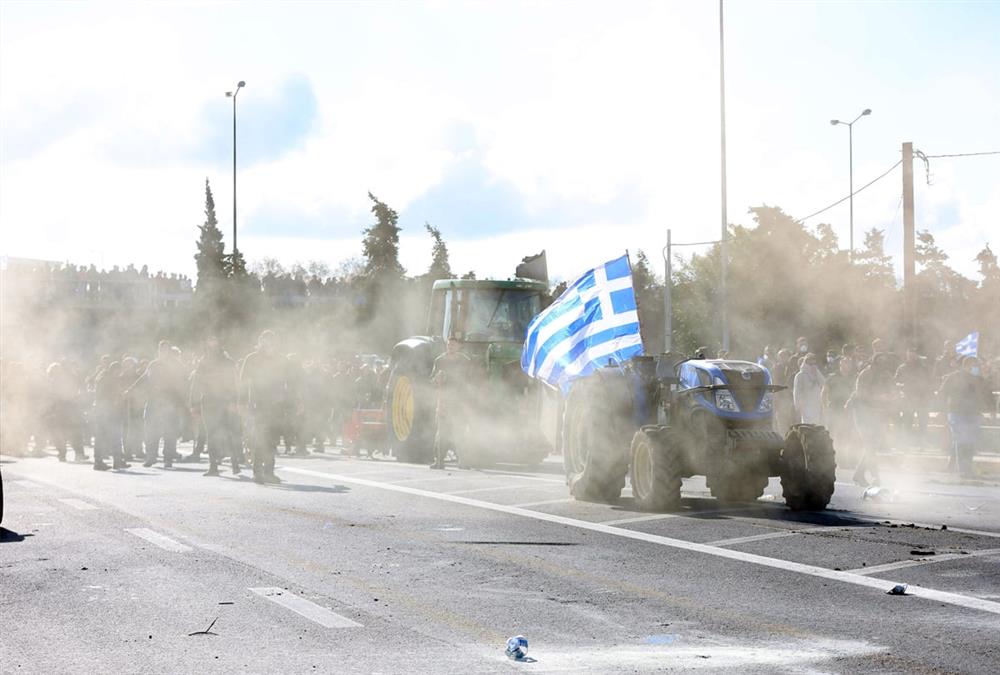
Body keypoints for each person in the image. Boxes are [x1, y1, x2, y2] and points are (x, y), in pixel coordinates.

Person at [127, 340, 186, 469]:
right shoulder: (154, 364)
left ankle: (168, 458)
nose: (164, 352)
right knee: (150, 430)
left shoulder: (176, 365)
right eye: (162, 349)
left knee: (169, 432)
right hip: (153, 401)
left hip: (170, 402)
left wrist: (181, 402)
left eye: (166, 349)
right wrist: (130, 389)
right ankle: (151, 457)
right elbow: (143, 378)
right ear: (159, 351)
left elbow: (183, 383)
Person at [240, 330, 287, 484]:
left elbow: (286, 382)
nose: (268, 343)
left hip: (276, 405)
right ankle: (257, 472)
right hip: (257, 403)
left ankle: (269, 472)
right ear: (260, 342)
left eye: (271, 340)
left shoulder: (280, 359)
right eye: (265, 340)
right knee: (259, 439)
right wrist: (241, 402)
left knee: (272, 439)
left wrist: (290, 401)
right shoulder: (252, 359)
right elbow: (243, 382)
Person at [190, 337, 240, 477]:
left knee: (228, 433)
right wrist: (194, 404)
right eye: (210, 347)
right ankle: (213, 466)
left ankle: (234, 463)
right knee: (212, 434)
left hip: (225, 402)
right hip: (209, 402)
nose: (212, 349)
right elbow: (196, 384)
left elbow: (235, 384)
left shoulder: (228, 363)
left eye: (214, 346)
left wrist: (236, 401)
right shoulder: (203, 363)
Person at [848, 352, 896, 486]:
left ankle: (859, 474)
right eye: (879, 361)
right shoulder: (865, 374)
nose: (882, 364)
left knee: (873, 446)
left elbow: (893, 391)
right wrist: (879, 397)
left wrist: (892, 397)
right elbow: (861, 394)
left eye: (884, 361)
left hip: (878, 414)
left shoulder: (886, 375)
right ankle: (876, 477)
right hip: (862, 413)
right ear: (874, 362)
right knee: (870, 444)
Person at [939, 356, 991, 479]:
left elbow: (986, 394)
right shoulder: (953, 377)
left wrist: (990, 410)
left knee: (970, 441)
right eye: (975, 366)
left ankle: (961, 466)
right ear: (967, 365)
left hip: (973, 413)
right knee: (961, 439)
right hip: (957, 413)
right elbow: (943, 393)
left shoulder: (978, 379)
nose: (977, 368)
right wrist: (942, 410)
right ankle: (963, 469)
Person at [430, 337, 472, 470]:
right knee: (442, 432)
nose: (450, 347)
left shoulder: (465, 361)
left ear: (459, 346)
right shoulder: (439, 360)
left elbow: (471, 381)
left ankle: (463, 461)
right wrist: (437, 379)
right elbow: (432, 379)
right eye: (449, 345)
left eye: (453, 345)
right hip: (444, 400)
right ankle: (439, 461)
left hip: (459, 400)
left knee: (460, 432)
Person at [92, 360, 127, 470]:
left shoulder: (102, 376)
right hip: (110, 412)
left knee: (100, 437)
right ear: (115, 370)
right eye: (119, 371)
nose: (120, 374)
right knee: (115, 436)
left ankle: (98, 462)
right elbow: (111, 396)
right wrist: (120, 396)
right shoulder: (111, 380)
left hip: (100, 411)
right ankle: (117, 461)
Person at [894, 347, 931, 448]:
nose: (911, 356)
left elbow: (929, 382)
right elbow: (896, 381)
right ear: (907, 355)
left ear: (916, 355)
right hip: (908, 398)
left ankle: (922, 443)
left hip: (922, 398)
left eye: (913, 354)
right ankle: (907, 443)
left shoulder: (924, 367)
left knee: (923, 421)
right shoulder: (902, 367)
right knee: (907, 421)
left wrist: (927, 394)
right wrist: (901, 385)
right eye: (909, 354)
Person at [792, 353, 825, 425]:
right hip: (806, 404)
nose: (812, 364)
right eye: (810, 361)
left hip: (816, 403)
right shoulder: (800, 375)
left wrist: (817, 373)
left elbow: (823, 384)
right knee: (807, 425)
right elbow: (796, 391)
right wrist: (798, 404)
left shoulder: (817, 372)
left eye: (813, 361)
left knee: (817, 424)